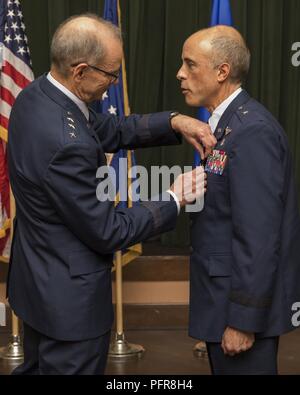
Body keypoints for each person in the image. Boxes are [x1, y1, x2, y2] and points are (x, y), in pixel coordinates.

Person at [7, 14, 216, 375]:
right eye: (110, 74)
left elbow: (106, 127)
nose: (113, 83)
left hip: (38, 289)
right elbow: (107, 231)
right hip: (70, 310)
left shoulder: (36, 96)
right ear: (81, 71)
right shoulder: (65, 142)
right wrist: (172, 198)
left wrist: (173, 121)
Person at [177, 25, 300, 375]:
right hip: (221, 301)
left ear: (222, 71)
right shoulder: (228, 125)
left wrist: (243, 320)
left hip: (239, 311)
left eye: (190, 64)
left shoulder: (253, 131)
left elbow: (259, 235)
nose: (180, 74)